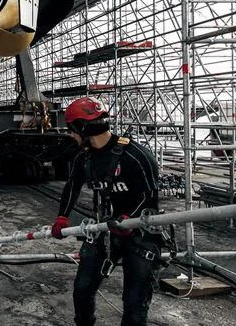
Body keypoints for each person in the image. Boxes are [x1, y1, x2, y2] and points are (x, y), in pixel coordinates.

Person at [50, 96, 160, 326]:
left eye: (72, 130)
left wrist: (130, 220)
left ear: (82, 128)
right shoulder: (85, 158)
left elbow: (149, 196)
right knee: (82, 289)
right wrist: (62, 216)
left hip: (139, 231)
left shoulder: (135, 156)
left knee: (134, 302)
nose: (71, 135)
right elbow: (72, 187)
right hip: (103, 229)